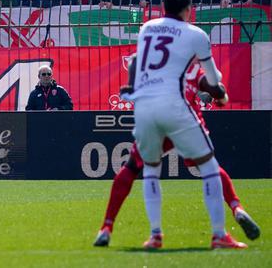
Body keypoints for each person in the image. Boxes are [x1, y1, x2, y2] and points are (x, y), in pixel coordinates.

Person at [93, 52, 260, 247]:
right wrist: (220, 96)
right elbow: (213, 88)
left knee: (135, 168)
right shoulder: (190, 61)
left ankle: (116, 229)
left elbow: (134, 61)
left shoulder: (153, 55)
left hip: (153, 116)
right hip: (184, 117)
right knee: (209, 167)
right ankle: (232, 213)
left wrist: (131, 86)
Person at [128, 0, 247, 250]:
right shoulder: (196, 34)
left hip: (144, 106)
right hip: (174, 104)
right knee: (208, 166)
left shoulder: (147, 27)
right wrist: (220, 92)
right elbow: (214, 80)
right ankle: (219, 235)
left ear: (162, 7)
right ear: (188, 10)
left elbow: (140, 62)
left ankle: (155, 235)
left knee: (150, 170)